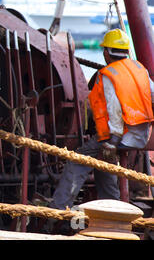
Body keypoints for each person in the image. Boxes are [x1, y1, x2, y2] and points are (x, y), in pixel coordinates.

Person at [49, 28, 154, 211]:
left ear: (106, 52)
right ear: (127, 51)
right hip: (142, 134)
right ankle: (112, 209)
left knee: (78, 160)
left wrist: (112, 142)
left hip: (119, 137)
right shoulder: (139, 69)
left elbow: (113, 110)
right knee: (103, 165)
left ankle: (56, 210)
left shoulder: (108, 75)